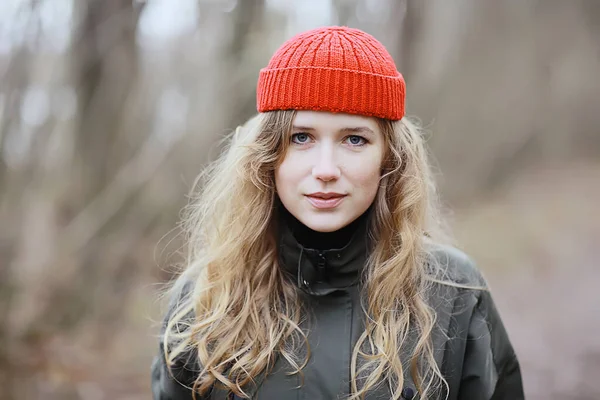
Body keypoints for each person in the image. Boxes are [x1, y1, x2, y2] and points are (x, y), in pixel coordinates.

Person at [150, 26, 524, 400]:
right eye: (301, 138)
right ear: (267, 155)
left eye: (354, 139)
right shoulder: (206, 298)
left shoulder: (451, 292)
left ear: (389, 159)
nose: (326, 168)